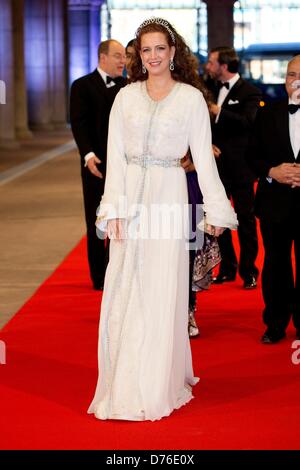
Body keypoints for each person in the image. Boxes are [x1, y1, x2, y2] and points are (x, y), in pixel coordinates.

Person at [88, 18, 237, 422]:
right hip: (130, 197)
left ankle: (157, 382)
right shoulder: (126, 97)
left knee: (160, 287)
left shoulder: (190, 98)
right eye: (146, 49)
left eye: (160, 48)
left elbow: (204, 160)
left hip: (170, 197)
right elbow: (114, 156)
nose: (152, 56)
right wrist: (112, 209)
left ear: (173, 52)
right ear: (139, 55)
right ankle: (123, 382)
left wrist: (217, 210)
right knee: (125, 288)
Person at [246, 55, 300, 344]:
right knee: (275, 264)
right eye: (292, 74)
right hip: (274, 203)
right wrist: (272, 171)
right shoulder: (267, 113)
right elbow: (251, 156)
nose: (296, 80)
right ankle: (275, 323)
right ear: (285, 80)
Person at [70, 40, 126, 290]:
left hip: (123, 165)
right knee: (96, 221)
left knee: (122, 220)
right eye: (117, 56)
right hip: (97, 164)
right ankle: (100, 278)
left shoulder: (128, 87)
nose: (122, 61)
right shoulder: (82, 86)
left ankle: (119, 272)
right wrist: (88, 155)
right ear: (102, 57)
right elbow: (78, 123)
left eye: (124, 56)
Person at [205, 46, 262, 289]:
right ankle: (227, 267)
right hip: (216, 168)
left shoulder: (250, 92)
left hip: (241, 168)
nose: (207, 66)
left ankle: (249, 271)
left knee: (246, 220)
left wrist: (220, 112)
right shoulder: (210, 89)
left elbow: (249, 123)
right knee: (219, 219)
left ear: (224, 65)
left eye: (211, 62)